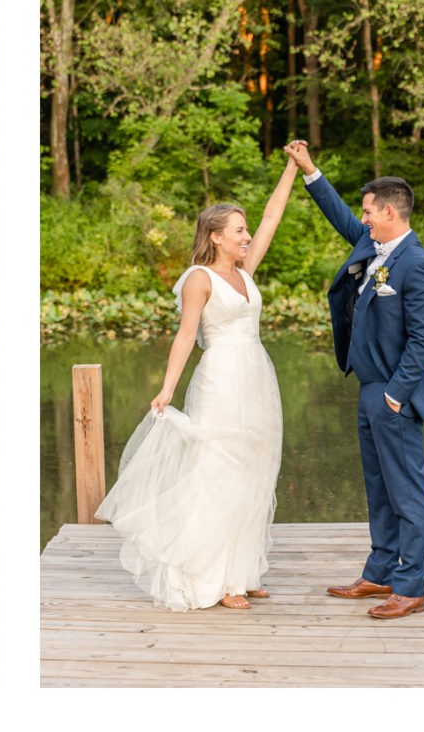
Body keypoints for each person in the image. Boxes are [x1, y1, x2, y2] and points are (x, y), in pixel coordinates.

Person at [91, 149, 301, 611]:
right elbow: (186, 337)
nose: (247, 236)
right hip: (221, 379)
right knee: (219, 471)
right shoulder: (199, 279)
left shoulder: (245, 270)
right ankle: (221, 581)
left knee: (255, 472)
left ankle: (244, 572)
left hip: (256, 378)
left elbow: (271, 216)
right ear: (215, 236)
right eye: (238, 230)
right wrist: (167, 388)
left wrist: (292, 167)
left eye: (245, 230)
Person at [288, 140, 424, 620]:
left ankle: (411, 587)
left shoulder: (417, 265)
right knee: (378, 487)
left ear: (390, 212)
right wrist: (310, 169)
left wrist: (396, 395)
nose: (364, 217)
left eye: (370, 210)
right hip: (367, 389)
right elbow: (338, 216)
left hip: (394, 394)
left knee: (406, 492)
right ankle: (380, 573)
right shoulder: (373, 246)